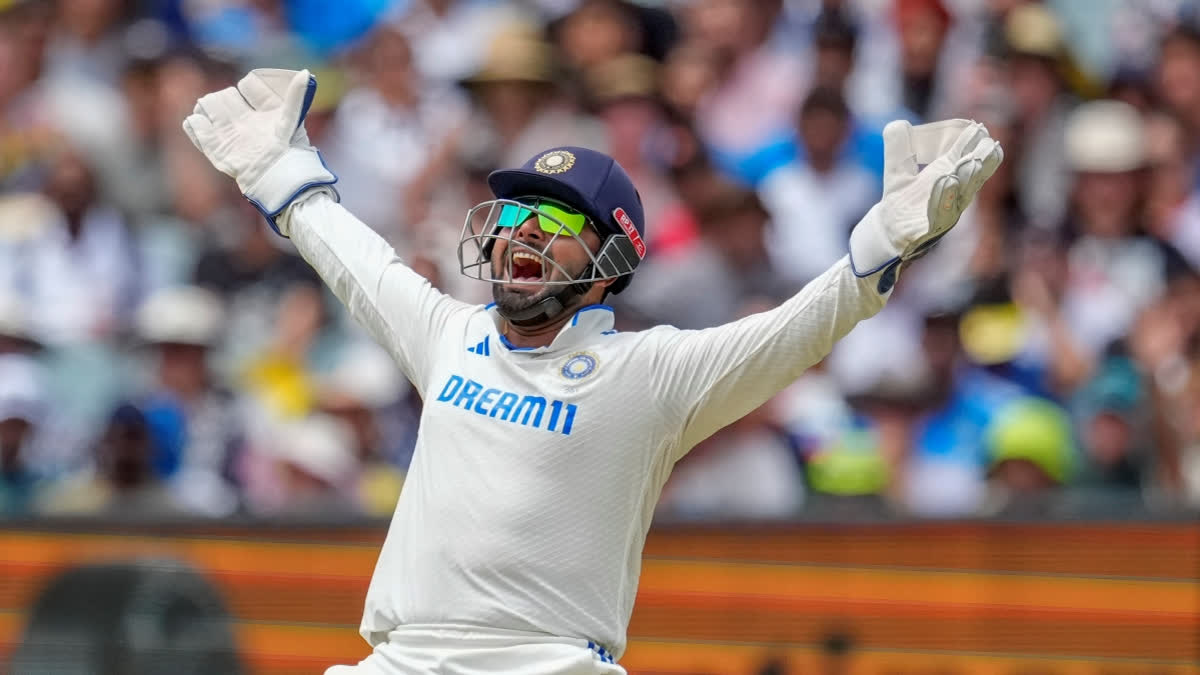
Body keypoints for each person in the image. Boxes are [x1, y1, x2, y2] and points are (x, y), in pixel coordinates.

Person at [181, 68, 1001, 675]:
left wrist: (884, 242)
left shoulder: (649, 373)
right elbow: (359, 262)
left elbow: (792, 333)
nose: (523, 232)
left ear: (612, 261)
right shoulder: (449, 333)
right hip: (401, 660)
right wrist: (280, 171)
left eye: (555, 218)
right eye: (513, 213)